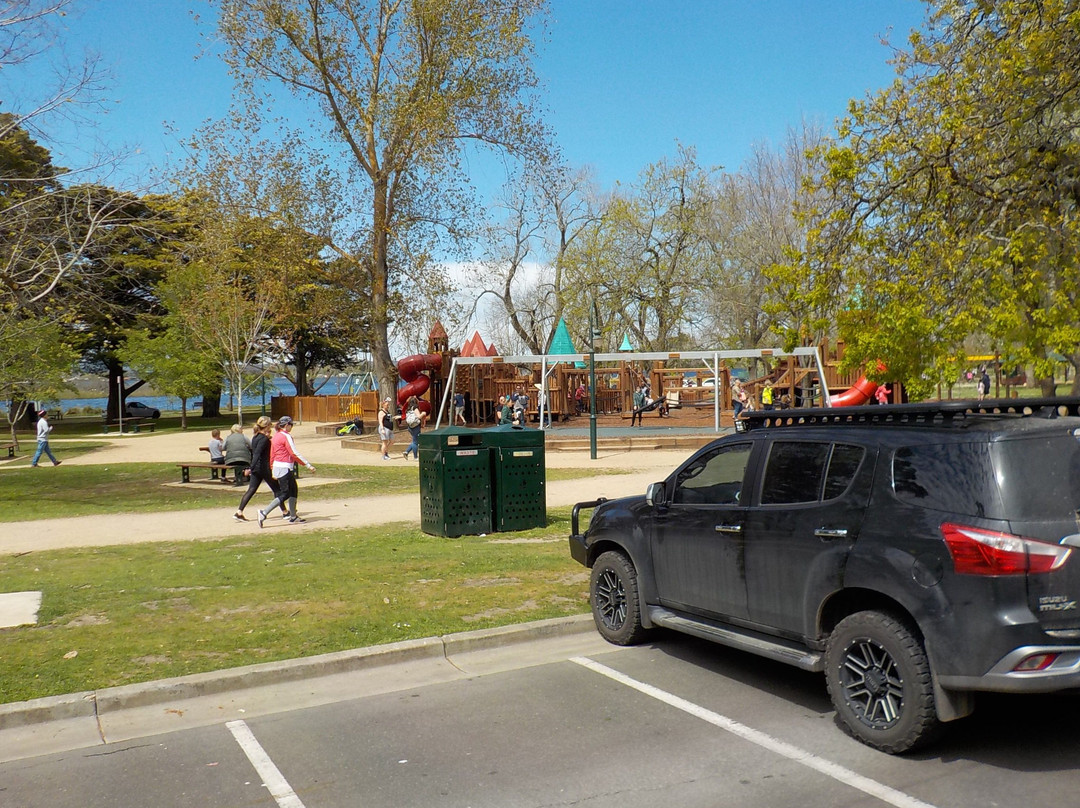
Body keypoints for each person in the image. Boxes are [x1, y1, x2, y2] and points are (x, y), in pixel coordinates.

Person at [257, 416, 315, 526]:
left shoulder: (276, 436)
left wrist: (272, 467)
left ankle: (293, 516)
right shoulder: (286, 436)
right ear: (287, 425)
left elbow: (272, 454)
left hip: (279, 467)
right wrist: (307, 465)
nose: (291, 427)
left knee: (293, 489)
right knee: (285, 493)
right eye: (291, 425)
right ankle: (264, 513)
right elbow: (293, 453)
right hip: (285, 467)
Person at [235, 417, 287, 522]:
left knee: (251, 489)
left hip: (257, 469)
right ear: (266, 426)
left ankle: (239, 512)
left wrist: (252, 467)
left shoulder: (255, 437)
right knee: (277, 490)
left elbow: (253, 453)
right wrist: (250, 468)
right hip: (264, 468)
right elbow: (257, 454)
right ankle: (285, 512)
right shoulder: (263, 439)